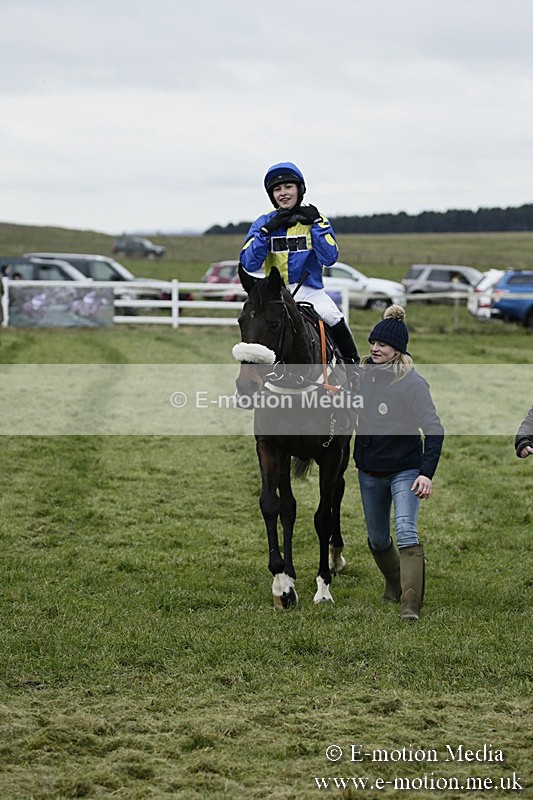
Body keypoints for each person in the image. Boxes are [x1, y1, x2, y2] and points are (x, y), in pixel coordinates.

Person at [354, 305, 444, 621]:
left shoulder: (412, 384)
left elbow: (434, 429)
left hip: (405, 469)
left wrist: (426, 474)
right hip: (369, 470)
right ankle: (394, 583)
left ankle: (410, 605)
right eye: (373, 342)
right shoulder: (360, 379)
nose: (375, 348)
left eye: (383, 344)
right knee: (378, 539)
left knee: (405, 529)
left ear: (397, 350)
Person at [239, 161, 359, 365]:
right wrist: (265, 232)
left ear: (299, 189)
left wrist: (316, 225)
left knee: (333, 317)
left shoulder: (318, 220)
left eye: (288, 187)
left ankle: (353, 368)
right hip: (275, 294)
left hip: (310, 292)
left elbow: (330, 258)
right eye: (277, 189)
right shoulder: (262, 223)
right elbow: (249, 263)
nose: (283, 193)